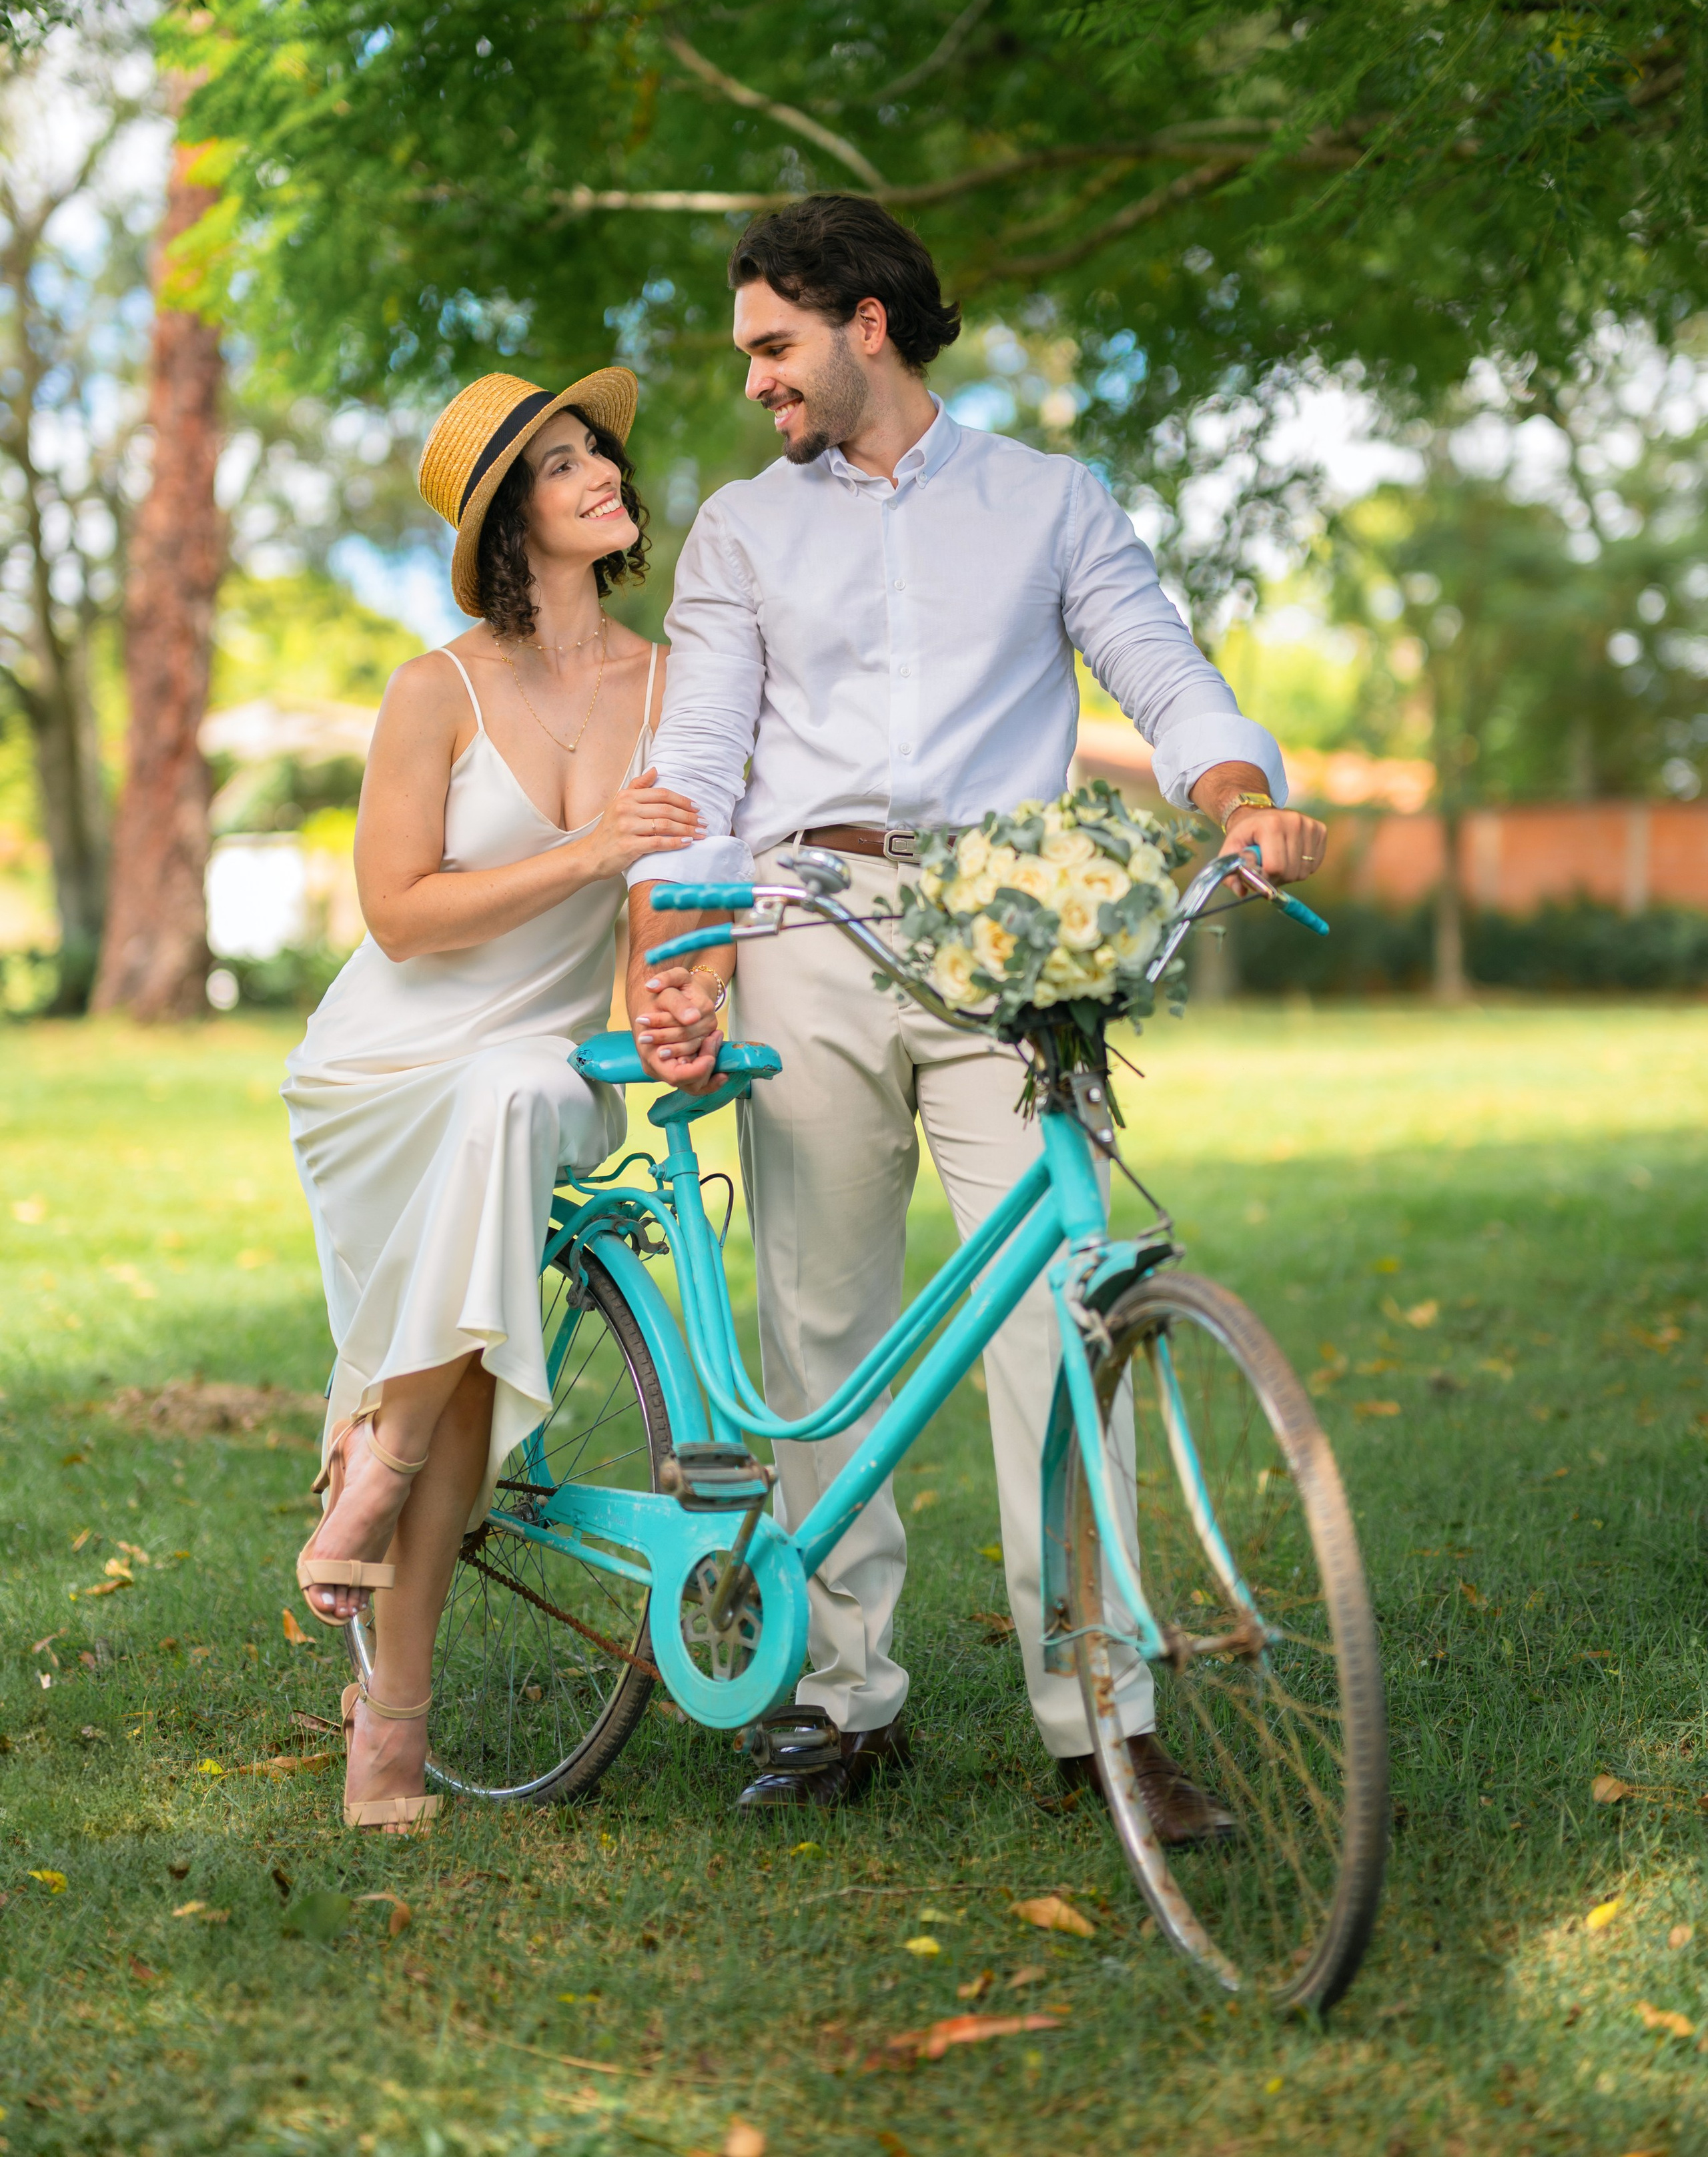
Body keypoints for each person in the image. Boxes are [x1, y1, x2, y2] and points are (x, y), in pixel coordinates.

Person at [624, 195, 1328, 1822]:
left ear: (865, 322)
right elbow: (699, 766)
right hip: (802, 924)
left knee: (1059, 1323)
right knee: (819, 1324)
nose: (753, 382)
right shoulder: (740, 527)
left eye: (772, 346)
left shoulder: (1047, 502)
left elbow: (1164, 673)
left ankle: (1106, 1715)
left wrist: (1239, 794)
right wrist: (688, 947)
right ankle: (836, 1694)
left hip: (1012, 939)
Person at [283, 366, 708, 1833]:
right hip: (383, 1072)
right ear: (504, 525)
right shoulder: (433, 688)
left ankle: (380, 1469)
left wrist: (668, 993)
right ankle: (387, 1737)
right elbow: (399, 916)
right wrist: (588, 853)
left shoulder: (671, 687)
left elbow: (656, 900)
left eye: (601, 454)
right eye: (560, 464)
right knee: (460, 1343)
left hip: (540, 1065)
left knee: (519, 1101)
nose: (603, 473)